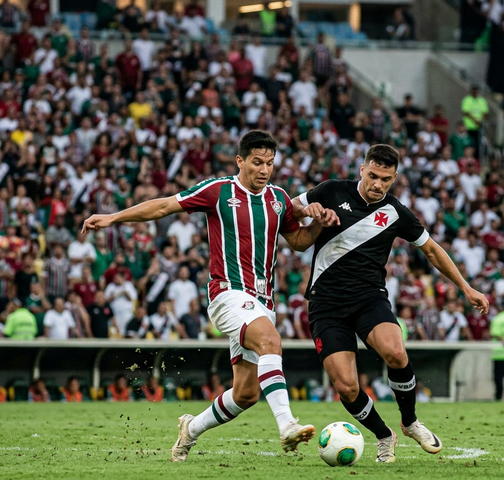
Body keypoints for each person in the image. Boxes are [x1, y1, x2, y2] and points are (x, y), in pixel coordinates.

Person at [82, 131, 339, 460]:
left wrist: (320, 222)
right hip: (227, 294)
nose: (264, 170)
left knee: (246, 394)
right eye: (257, 162)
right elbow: (163, 206)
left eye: (270, 164)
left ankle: (190, 429)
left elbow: (300, 242)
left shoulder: (278, 199)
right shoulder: (219, 191)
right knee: (270, 341)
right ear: (240, 161)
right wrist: (114, 218)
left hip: (262, 303)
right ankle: (287, 424)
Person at [290, 144, 489, 462]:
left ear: (394, 178)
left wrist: (465, 288)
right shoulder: (329, 191)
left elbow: (433, 250)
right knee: (347, 387)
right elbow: (288, 209)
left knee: (396, 353)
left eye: (386, 179)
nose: (377, 184)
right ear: (362, 169)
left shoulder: (397, 213)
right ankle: (384, 435)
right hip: (326, 305)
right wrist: (308, 213)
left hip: (368, 298)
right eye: (373, 175)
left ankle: (410, 422)